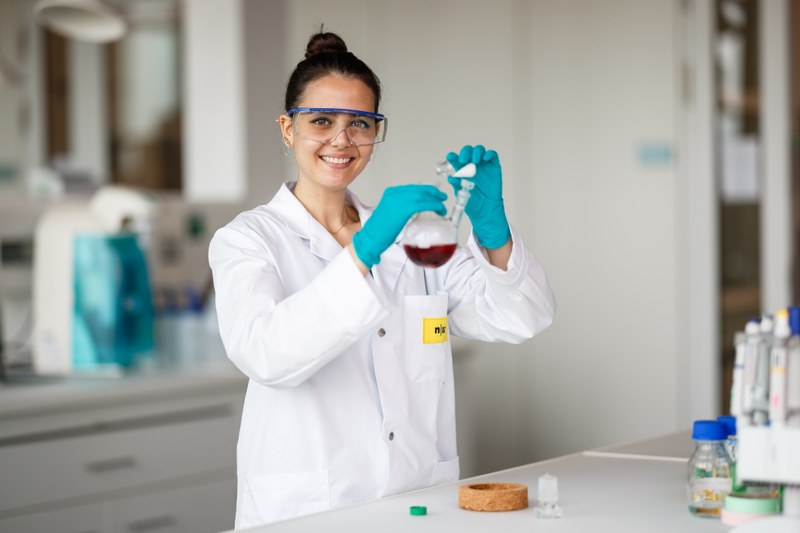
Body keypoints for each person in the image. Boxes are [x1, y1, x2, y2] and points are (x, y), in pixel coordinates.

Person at [208, 30, 556, 529]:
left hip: (417, 499)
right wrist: (364, 250)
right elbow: (266, 355)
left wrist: (492, 230)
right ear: (287, 129)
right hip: (312, 510)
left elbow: (523, 317)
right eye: (321, 121)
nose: (341, 139)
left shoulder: (414, 238)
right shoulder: (248, 239)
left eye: (360, 123)